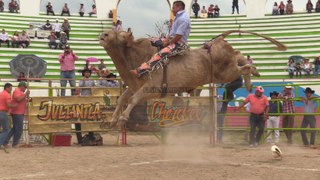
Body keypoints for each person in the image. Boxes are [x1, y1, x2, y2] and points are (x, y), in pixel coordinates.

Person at [130, 1, 191, 77]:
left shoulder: (183, 19)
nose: (172, 9)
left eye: (173, 7)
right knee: (151, 40)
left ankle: (142, 70)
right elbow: (172, 32)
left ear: (179, 7)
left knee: (160, 54)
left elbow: (178, 36)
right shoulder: (178, 17)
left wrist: (168, 43)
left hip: (178, 44)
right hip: (171, 40)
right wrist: (166, 40)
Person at [217, 76, 243, 143]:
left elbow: (227, 78)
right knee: (226, 89)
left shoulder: (220, 97)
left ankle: (219, 139)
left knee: (227, 87)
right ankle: (218, 139)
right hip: (218, 112)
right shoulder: (222, 95)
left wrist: (222, 85)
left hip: (220, 113)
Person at [4, 81, 29, 148]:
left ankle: (5, 141)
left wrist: (26, 96)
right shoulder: (17, 91)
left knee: (14, 128)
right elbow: (18, 99)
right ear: (22, 86)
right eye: (25, 87)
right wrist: (25, 94)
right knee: (18, 128)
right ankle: (15, 143)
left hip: (19, 112)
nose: (25, 89)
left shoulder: (20, 92)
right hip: (17, 113)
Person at [77, 69, 95, 144]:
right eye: (86, 73)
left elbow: (94, 87)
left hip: (90, 97)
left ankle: (91, 135)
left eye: (88, 73)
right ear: (83, 74)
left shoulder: (92, 80)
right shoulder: (81, 80)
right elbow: (80, 87)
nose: (87, 74)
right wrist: (84, 82)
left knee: (91, 116)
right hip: (84, 97)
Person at [0, 83, 17, 150]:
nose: (11, 90)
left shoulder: (1, 93)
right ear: (7, 88)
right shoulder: (7, 95)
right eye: (10, 88)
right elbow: (8, 105)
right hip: (3, 112)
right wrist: (15, 105)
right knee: (6, 130)